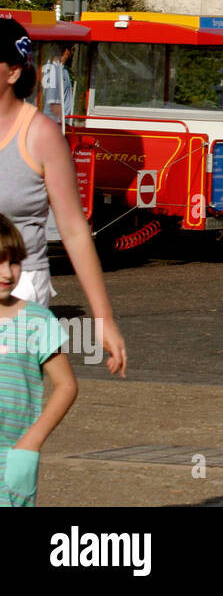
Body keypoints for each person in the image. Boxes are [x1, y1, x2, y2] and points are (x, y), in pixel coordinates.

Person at [0, 19, 126, 374]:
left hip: (18, 287)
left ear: (12, 73)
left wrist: (103, 319)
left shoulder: (40, 136)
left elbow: (73, 230)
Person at [0, 215, 78, 506]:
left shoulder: (36, 320)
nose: (7, 272)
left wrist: (32, 441)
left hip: (11, 459)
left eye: (14, 261)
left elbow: (66, 385)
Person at [40, 43, 74, 125]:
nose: (72, 53)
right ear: (66, 51)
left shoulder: (63, 69)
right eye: (72, 50)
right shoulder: (52, 70)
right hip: (56, 122)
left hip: (63, 121)